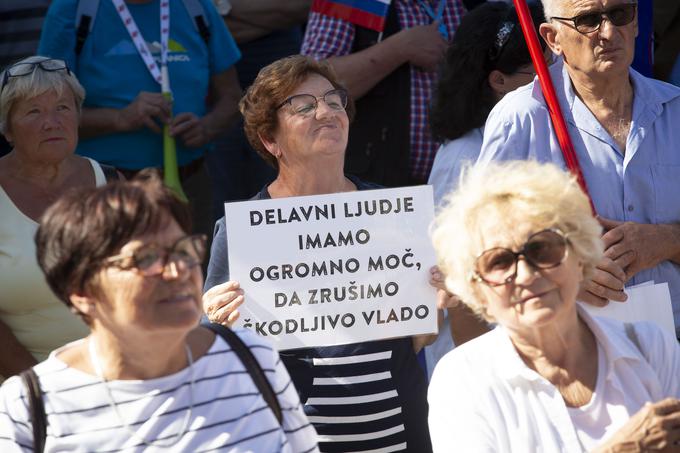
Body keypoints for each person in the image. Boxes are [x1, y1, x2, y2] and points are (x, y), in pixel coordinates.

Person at [204, 55, 434, 453]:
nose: (326, 112)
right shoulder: (241, 234)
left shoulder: (395, 215)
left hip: (400, 427)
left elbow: (422, 336)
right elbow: (225, 359)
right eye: (303, 106)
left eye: (333, 100)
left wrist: (435, 303)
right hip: (294, 437)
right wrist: (213, 327)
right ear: (270, 140)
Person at [0, 173, 318, 452]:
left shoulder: (252, 356)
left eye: (183, 250)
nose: (178, 269)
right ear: (82, 290)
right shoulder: (29, 407)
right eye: (147, 258)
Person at [428, 160, 680, 452]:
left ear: (581, 257)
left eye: (542, 249)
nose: (527, 274)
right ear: (477, 290)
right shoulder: (463, 381)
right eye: (499, 261)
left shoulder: (651, 347)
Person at [477, 0, 680, 338]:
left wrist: (668, 241)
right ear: (552, 38)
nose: (609, 32)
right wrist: (559, 273)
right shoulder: (522, 118)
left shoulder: (675, 111)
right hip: (570, 351)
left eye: (620, 14)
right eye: (588, 20)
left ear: (637, 24)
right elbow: (481, 246)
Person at [37, 0, 243, 239]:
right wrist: (119, 118)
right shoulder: (74, 8)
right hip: (103, 188)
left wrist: (207, 127)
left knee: (189, 273)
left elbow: (232, 96)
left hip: (187, 184)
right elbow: (46, 113)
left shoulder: (195, 5)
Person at [423, 2, 548, 378]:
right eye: (538, 73)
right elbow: (454, 280)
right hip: (480, 365)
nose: (554, 82)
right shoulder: (464, 157)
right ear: (499, 81)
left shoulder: (531, 133)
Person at [0, 56, 112, 380]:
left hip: (113, 377)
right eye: (33, 112)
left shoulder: (112, 182)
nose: (52, 122)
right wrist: (40, 386)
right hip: (18, 385)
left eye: (63, 108)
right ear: (7, 129)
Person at [301, 0, 466, 187]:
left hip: (466, 185)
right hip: (374, 190)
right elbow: (310, 88)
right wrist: (399, 48)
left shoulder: (482, 3)